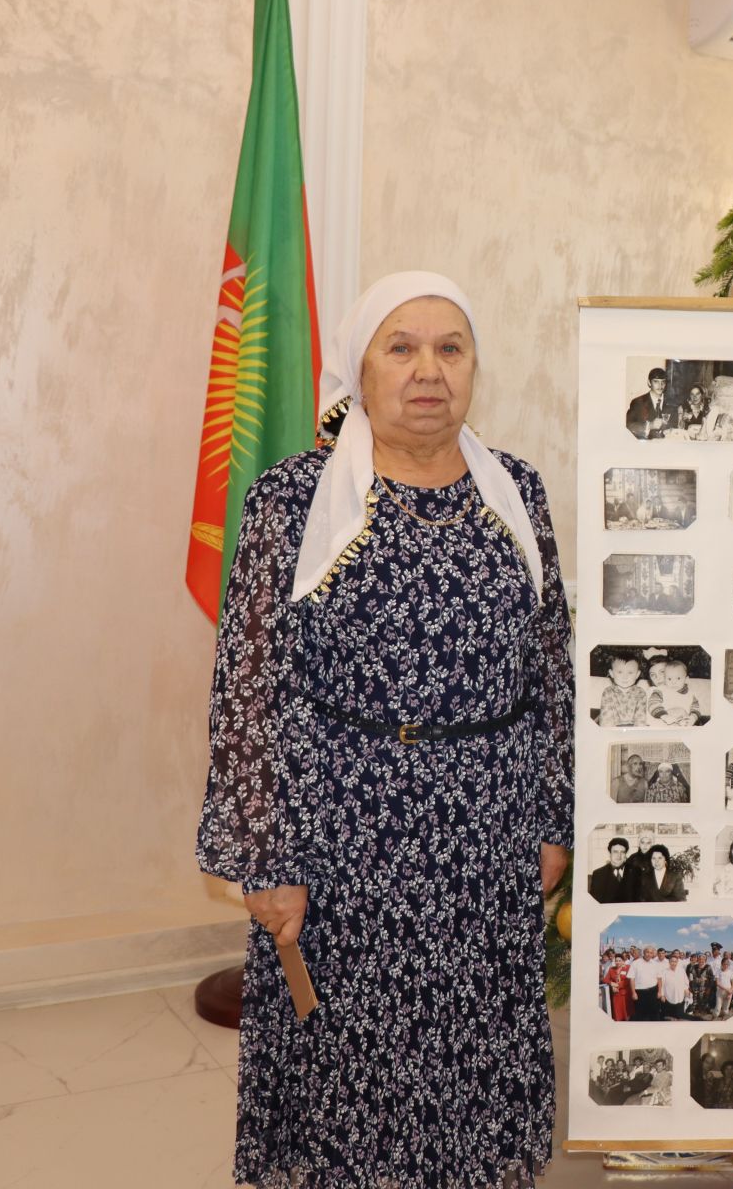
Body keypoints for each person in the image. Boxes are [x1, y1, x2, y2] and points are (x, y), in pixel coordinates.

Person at [196, 271, 574, 1189]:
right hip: (343, 838)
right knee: (354, 1075)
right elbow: (249, 692)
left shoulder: (515, 491)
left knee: (474, 1050)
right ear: (358, 372)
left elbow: (552, 666)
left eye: (450, 348)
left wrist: (556, 817)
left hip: (487, 831)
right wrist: (267, 855)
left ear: (475, 368)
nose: (427, 371)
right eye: (400, 349)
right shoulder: (291, 502)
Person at [625, 367, 677, 438]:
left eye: (663, 382)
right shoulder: (637, 402)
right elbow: (628, 425)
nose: (660, 385)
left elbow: (676, 427)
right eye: (656, 381)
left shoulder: (672, 404)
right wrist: (650, 425)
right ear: (649, 382)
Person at [588, 837, 637, 904]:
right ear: (610, 853)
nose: (619, 856)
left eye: (622, 852)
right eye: (615, 852)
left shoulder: (635, 872)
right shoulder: (598, 874)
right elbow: (595, 902)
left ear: (626, 854)